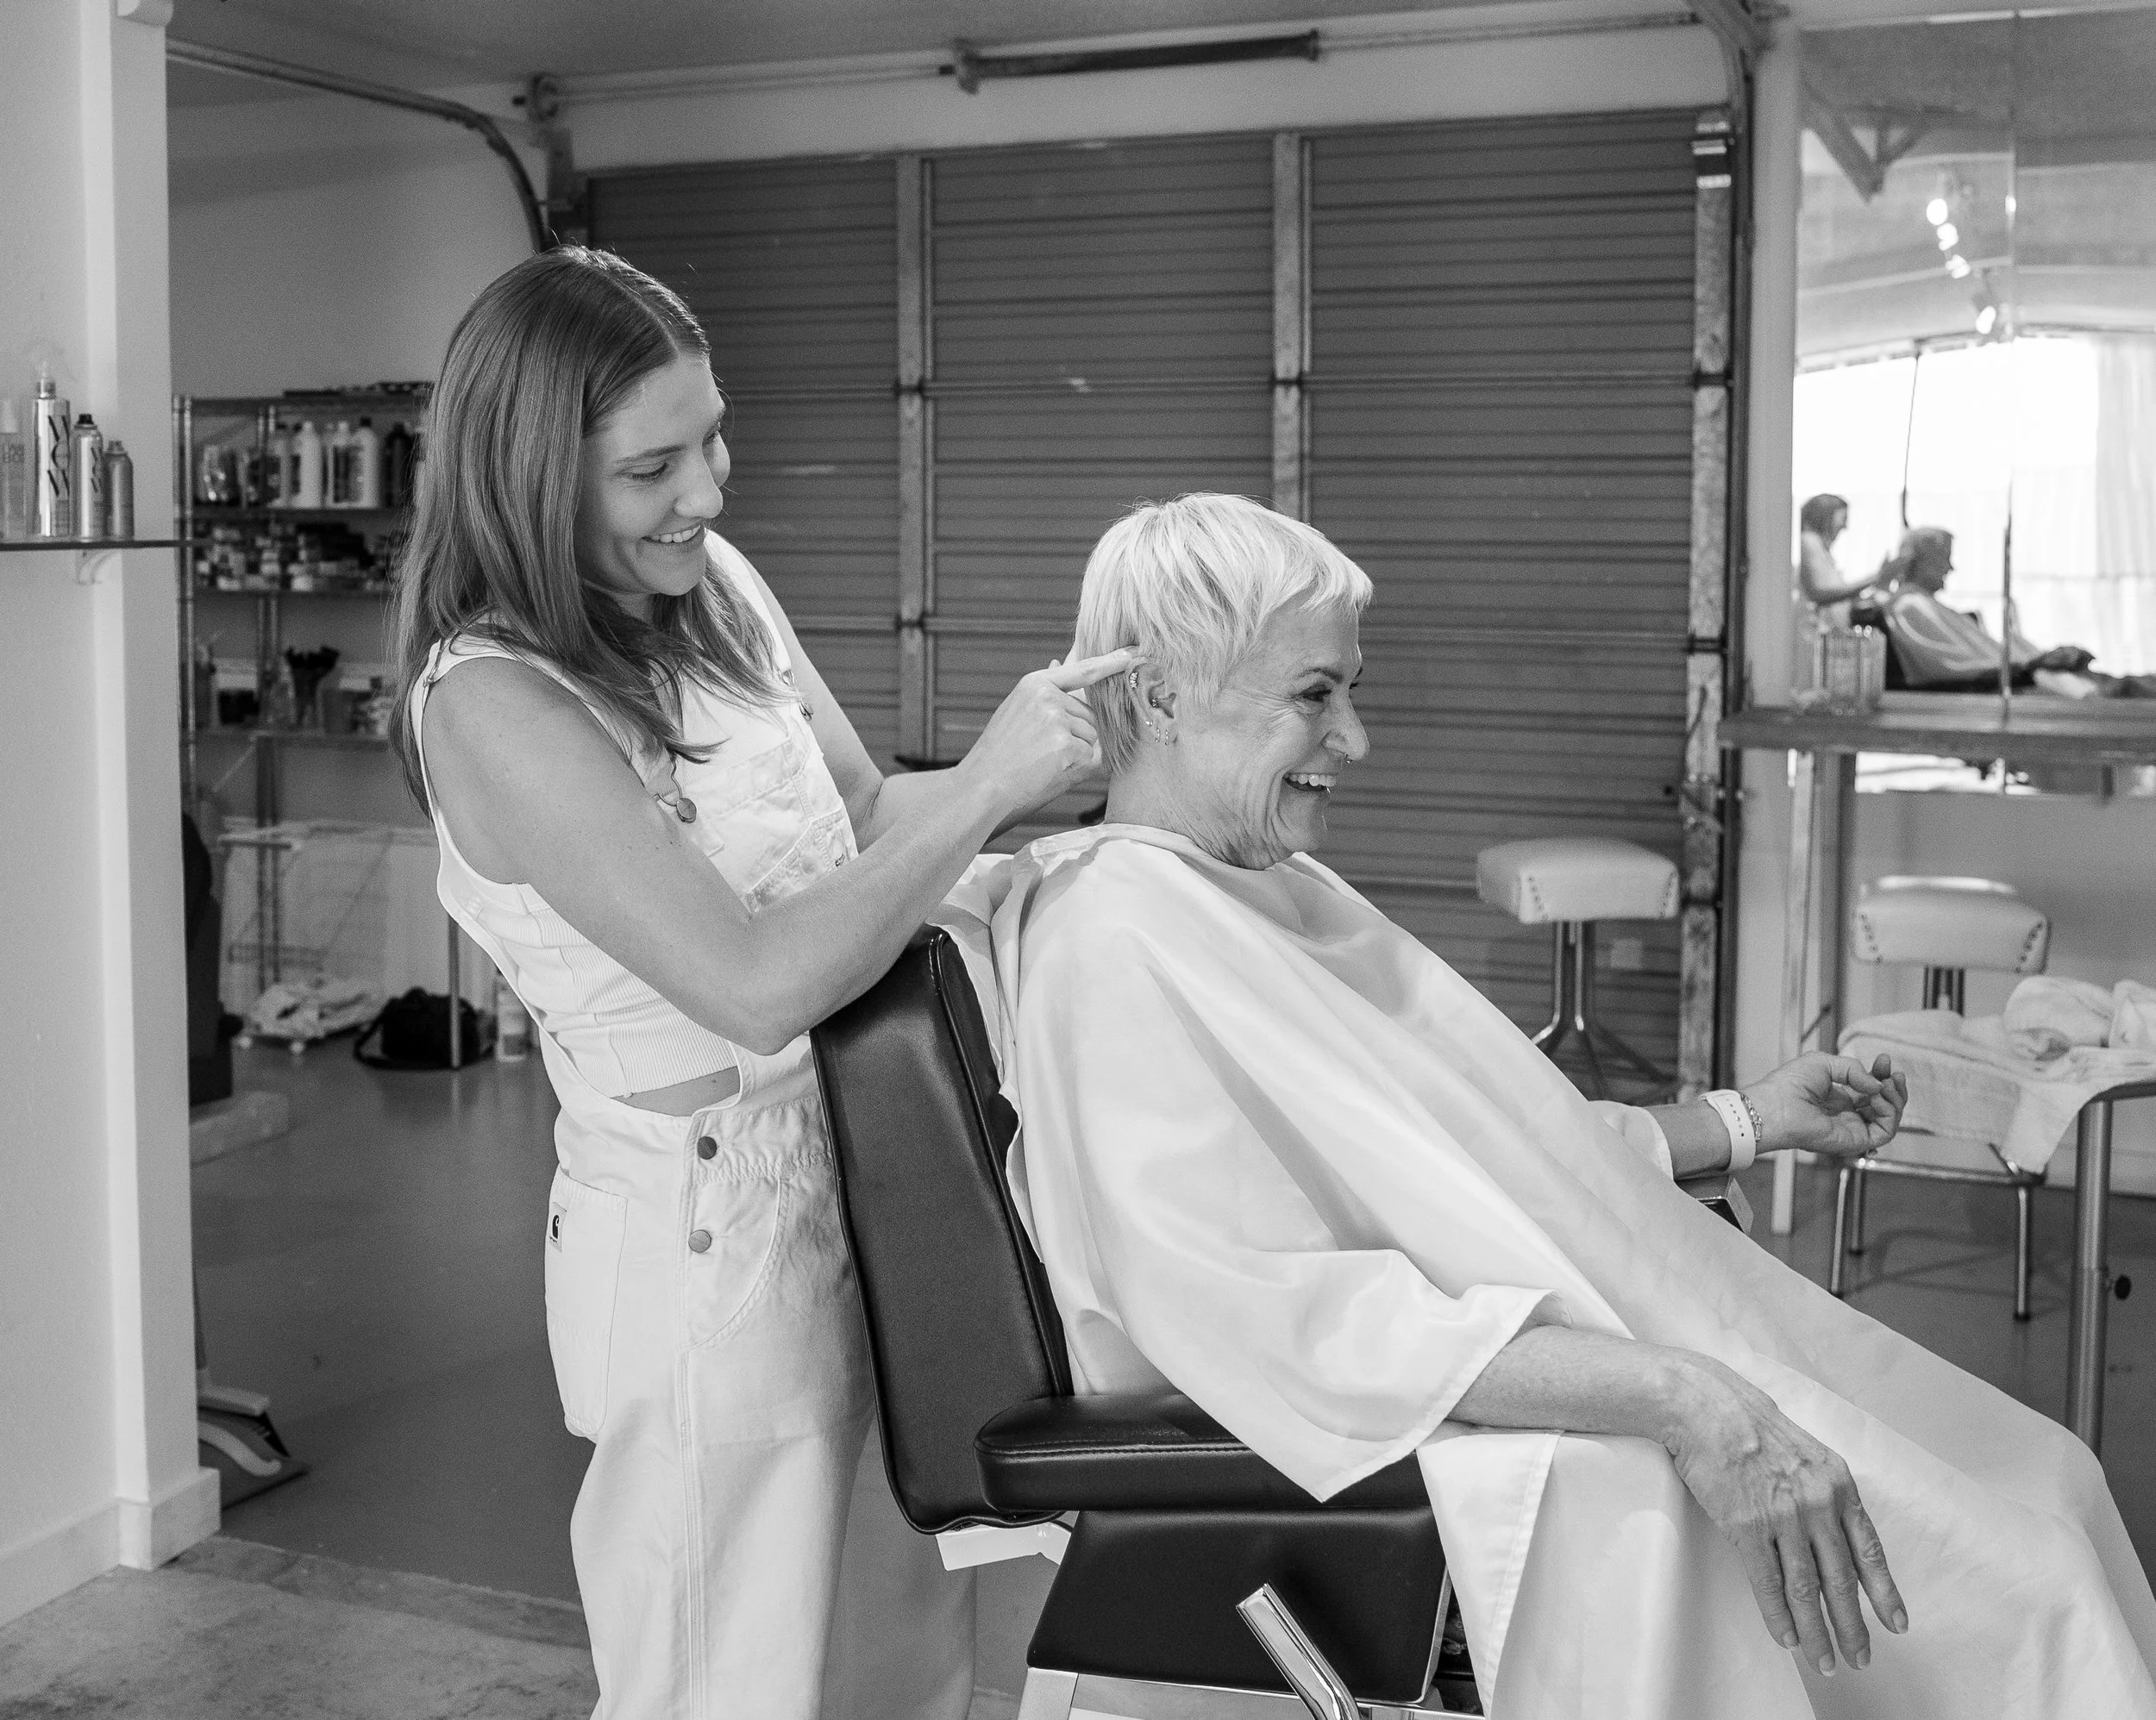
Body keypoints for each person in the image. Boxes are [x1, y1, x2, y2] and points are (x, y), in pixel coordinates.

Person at [940, 495, 2156, 1719]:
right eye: (1316, 695)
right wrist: (1681, 1395)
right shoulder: (1114, 942)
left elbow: (1488, 1151)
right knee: (2028, 1587)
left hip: (1600, 1345)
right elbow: (1281, 1315)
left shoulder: (1258, 883)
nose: (1353, 739)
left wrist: (1748, 1119)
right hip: (1438, 1429)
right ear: (1158, 697)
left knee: (2049, 1476)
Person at [386, 247, 1138, 1719]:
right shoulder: (492, 706)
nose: (709, 495)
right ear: (531, 480)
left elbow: (867, 817)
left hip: (863, 1183)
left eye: (713, 437)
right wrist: (994, 784)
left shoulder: (712, 588)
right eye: (653, 467)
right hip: (700, 1252)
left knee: (891, 1656)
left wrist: (1078, 784)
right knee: (729, 1677)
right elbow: (750, 980)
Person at [1796, 492, 1883, 627]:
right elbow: (1818, 593)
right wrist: (1874, 579)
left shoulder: (1820, 550)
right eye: (1843, 518)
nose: (1845, 526)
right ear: (1826, 516)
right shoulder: (1809, 541)